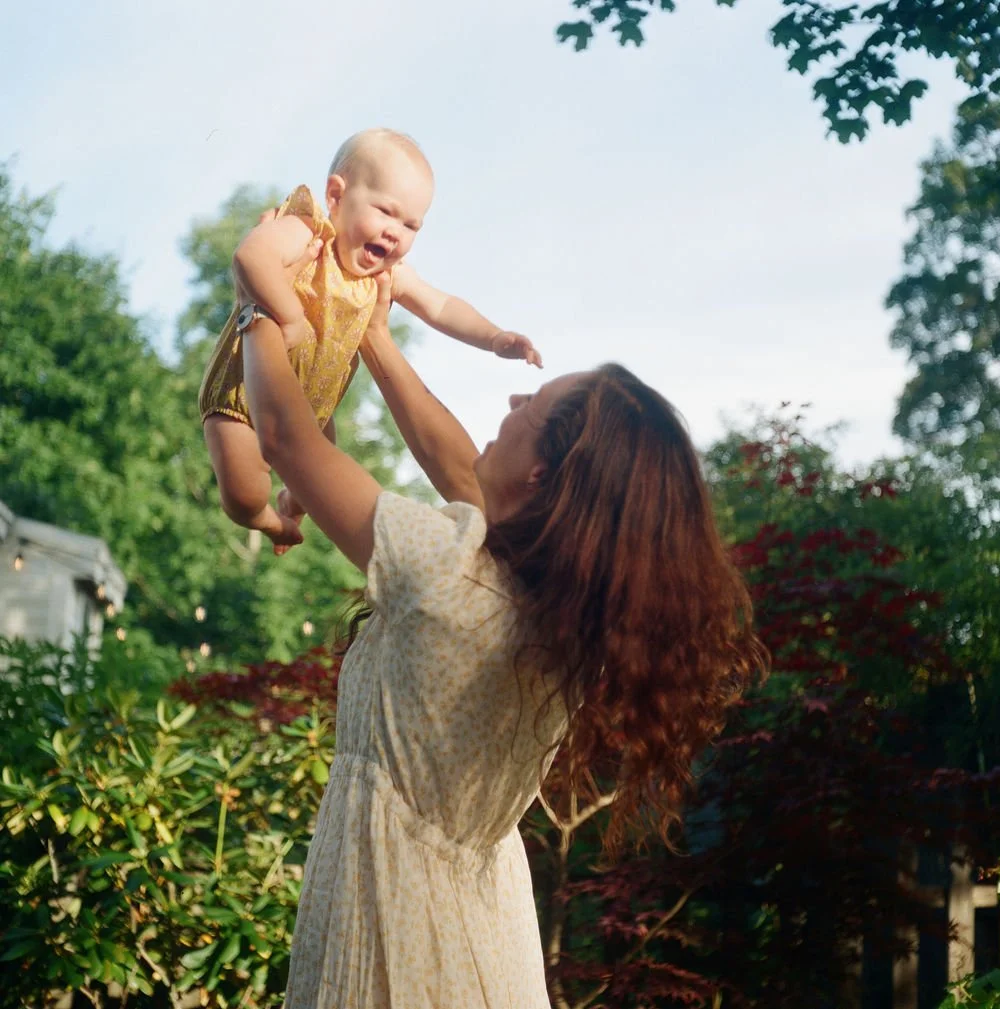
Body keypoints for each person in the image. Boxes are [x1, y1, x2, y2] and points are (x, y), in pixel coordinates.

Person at [240, 242, 768, 1007]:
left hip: (393, 923)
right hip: (479, 930)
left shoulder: (445, 571)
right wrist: (375, 338)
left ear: (543, 475)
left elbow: (287, 437)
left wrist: (259, 301)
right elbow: (460, 467)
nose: (514, 405)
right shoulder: (549, 615)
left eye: (535, 406)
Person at [199, 127, 541, 552]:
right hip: (242, 390)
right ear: (337, 196)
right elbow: (250, 256)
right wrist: (288, 316)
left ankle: (294, 503)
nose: (396, 231)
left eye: (411, 224)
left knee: (322, 481)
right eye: (386, 211)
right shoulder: (307, 231)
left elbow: (440, 306)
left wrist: (493, 337)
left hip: (314, 403)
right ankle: (269, 523)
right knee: (244, 494)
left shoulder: (386, 275)